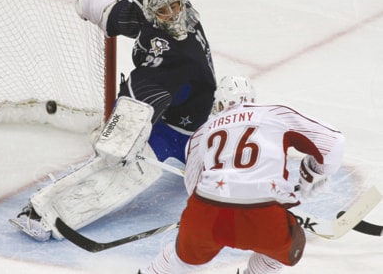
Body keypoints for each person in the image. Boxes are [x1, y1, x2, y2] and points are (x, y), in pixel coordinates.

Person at [9, 0, 216, 241]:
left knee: (228, 165)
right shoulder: (168, 61)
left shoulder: (159, 20)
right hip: (169, 131)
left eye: (175, 5)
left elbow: (127, 15)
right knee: (123, 176)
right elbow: (141, 95)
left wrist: (99, 3)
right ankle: (44, 214)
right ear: (154, 16)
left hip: (201, 121)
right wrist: (123, 139)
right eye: (164, 11)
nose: (174, 14)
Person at [139, 76, 345, 274]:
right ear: (252, 99)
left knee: (180, 258)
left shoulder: (202, 132)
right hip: (264, 214)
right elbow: (333, 143)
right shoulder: (274, 114)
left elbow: (193, 186)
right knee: (288, 246)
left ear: (219, 104)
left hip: (207, 212)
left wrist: (197, 221)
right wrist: (315, 170)